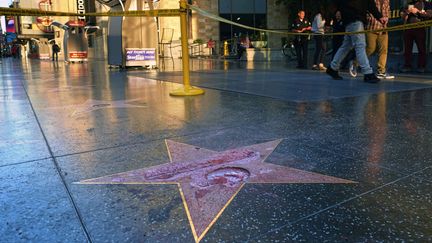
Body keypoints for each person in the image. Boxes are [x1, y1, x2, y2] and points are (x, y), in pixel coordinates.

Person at [326, 0, 387, 83]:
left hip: (351, 19)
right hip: (355, 18)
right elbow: (369, 4)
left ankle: (333, 67)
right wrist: (379, 16)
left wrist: (379, 16)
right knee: (360, 45)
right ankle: (367, 72)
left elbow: (369, 4)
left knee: (346, 46)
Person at [400, 0, 432, 73]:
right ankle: (407, 65)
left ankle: (421, 66)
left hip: (420, 27)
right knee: (407, 48)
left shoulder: (426, 4)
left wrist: (417, 12)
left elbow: (429, 15)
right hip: (408, 28)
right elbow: (401, 16)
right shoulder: (408, 4)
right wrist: (406, 13)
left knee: (421, 47)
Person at [366, 0, 394, 79]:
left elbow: (387, 11)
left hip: (383, 27)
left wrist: (387, 18)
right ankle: (355, 62)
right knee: (370, 48)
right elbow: (368, 10)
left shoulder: (386, 0)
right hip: (372, 26)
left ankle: (381, 71)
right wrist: (371, 19)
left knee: (384, 50)